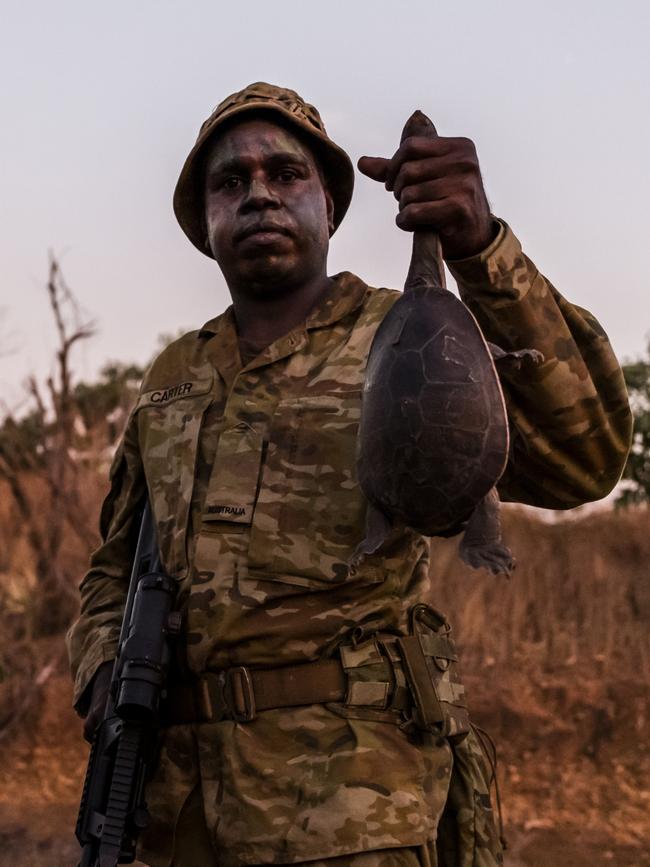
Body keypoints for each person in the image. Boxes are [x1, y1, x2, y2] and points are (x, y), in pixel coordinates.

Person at [67, 82, 632, 867]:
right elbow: (112, 565)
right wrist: (102, 669)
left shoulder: (407, 332)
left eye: (286, 173)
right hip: (180, 816)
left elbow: (587, 457)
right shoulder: (174, 375)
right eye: (231, 182)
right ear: (205, 222)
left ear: (330, 205)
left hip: (356, 814)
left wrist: (480, 247)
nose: (259, 192)